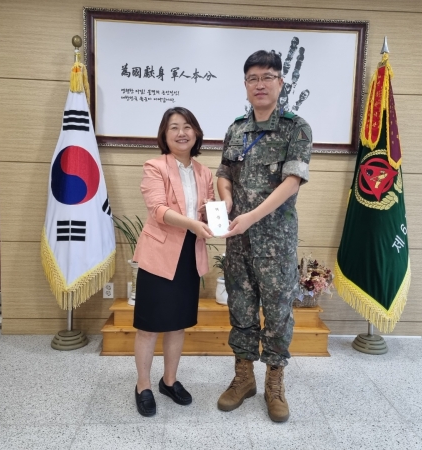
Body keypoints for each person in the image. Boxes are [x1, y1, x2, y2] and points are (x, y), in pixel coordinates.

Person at [215, 50, 312, 422]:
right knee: (240, 308)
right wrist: (226, 200)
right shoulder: (236, 129)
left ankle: (274, 382)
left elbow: (292, 181)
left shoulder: (295, 128)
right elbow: (224, 173)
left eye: (267, 77)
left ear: (280, 83)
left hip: (275, 242)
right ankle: (243, 378)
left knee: (277, 314)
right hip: (237, 241)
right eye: (253, 78)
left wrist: (251, 217)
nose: (260, 84)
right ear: (245, 84)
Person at [131, 107, 215, 417]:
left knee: (177, 324)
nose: (182, 133)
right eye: (174, 127)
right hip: (159, 255)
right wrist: (193, 223)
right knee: (149, 326)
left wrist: (212, 215)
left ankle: (169, 381)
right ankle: (143, 385)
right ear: (164, 136)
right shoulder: (155, 166)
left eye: (187, 126)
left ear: (196, 132)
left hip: (189, 255)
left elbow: (207, 209)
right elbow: (157, 210)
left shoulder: (205, 172)